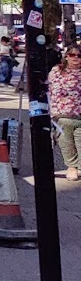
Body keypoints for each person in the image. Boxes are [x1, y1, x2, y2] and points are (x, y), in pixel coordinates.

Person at [49, 39, 81, 182]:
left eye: (79, 56)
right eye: (72, 55)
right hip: (62, 115)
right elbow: (50, 89)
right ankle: (72, 167)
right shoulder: (57, 71)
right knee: (66, 142)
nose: (75, 58)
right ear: (66, 56)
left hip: (80, 115)